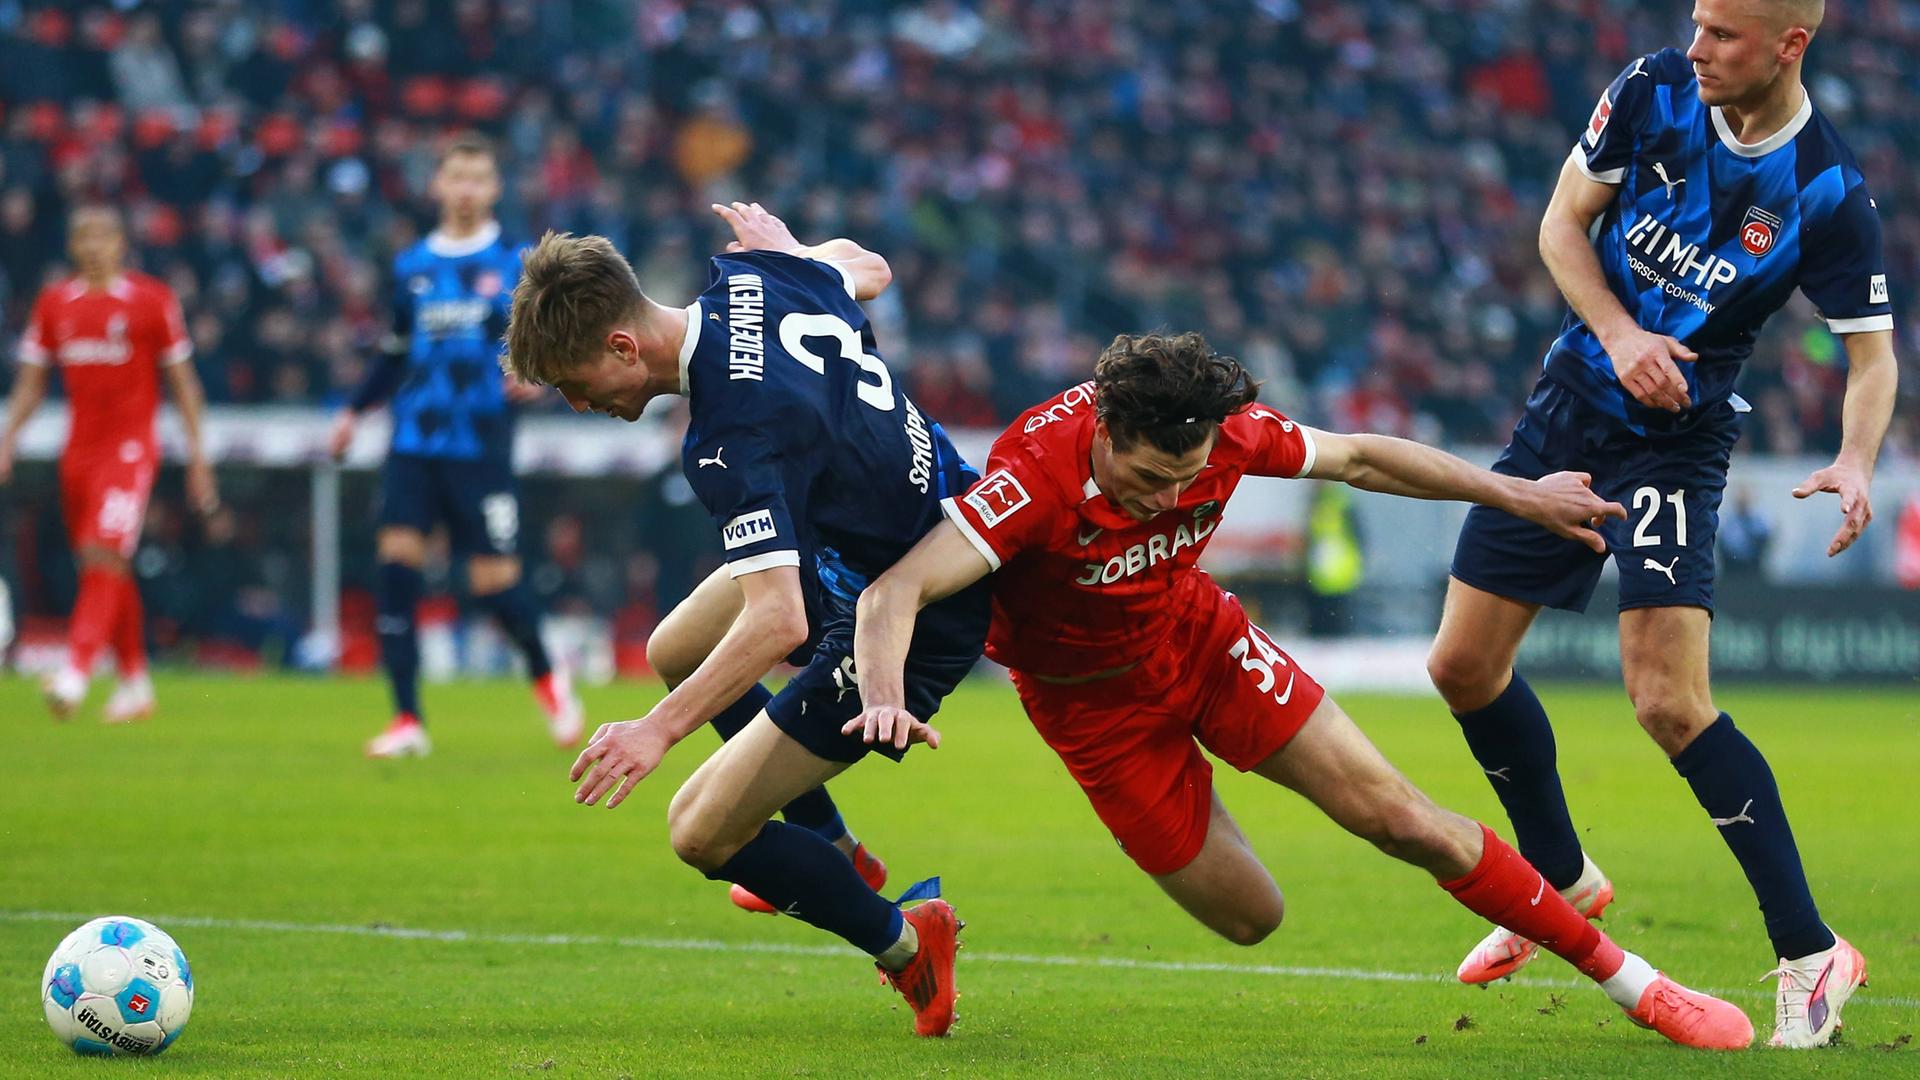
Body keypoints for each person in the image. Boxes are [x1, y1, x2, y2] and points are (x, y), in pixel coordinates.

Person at [848, 332, 1753, 1050]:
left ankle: (1634, 983)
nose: (1170, 499)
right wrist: (885, 698)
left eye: (1188, 477)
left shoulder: (1224, 434)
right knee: (1253, 918)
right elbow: (895, 592)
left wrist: (1519, 495)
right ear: (1106, 435)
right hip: (1092, 712)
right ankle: (925, 928)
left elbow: (1360, 457)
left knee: (1400, 818)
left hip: (1202, 643)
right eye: (1149, 479)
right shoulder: (1031, 476)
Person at [1423, 2, 1892, 1047]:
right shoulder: (1651, 89)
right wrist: (1621, 330)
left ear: (1789, 45)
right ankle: (1561, 881)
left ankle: (1813, 952)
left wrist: (1856, 459)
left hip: (1678, 443)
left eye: (1724, 33)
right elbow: (1559, 222)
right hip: (1569, 408)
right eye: (1698, 24)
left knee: (1669, 702)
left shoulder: (1827, 191)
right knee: (1460, 668)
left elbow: (1871, 355)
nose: (1698, 47)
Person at [504, 202, 992, 1038]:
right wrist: (797, 254)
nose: (583, 407)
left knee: (697, 831)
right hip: (930, 522)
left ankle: (908, 945)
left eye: (578, 388)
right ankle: (835, 853)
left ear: (622, 346)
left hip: (911, 610)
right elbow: (868, 267)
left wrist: (655, 732)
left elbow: (776, 622)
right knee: (676, 647)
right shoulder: (754, 278)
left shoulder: (730, 434)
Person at [327, 133, 584, 758]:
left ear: (493, 189)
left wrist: (540, 380)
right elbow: (393, 352)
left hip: (481, 444)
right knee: (396, 569)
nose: (465, 189)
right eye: (456, 177)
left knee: (494, 584)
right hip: (413, 441)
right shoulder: (412, 265)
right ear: (436, 185)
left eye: (478, 178)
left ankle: (549, 679)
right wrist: (353, 413)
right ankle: (408, 720)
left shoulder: (517, 262)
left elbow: (552, 350)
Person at [0, 205, 217, 722]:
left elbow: (184, 383)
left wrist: (198, 456)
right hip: (78, 453)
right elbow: (32, 382)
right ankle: (136, 683)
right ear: (73, 247)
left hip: (131, 449)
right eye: (84, 237)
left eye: (103, 236)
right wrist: (7, 438)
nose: (94, 246)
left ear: (121, 242)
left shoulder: (151, 300)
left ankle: (76, 672)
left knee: (103, 553)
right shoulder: (55, 305)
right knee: (106, 566)